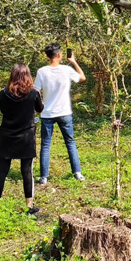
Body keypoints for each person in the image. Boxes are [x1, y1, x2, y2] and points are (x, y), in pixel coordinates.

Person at [0, 64, 43, 214]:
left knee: (2, 170)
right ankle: (29, 206)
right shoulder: (34, 93)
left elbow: (3, 111)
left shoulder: (3, 93)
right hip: (26, 137)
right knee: (26, 171)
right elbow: (40, 109)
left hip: (7, 135)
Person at [34, 44, 86, 185]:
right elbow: (82, 78)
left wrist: (37, 108)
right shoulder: (66, 70)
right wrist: (74, 61)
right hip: (64, 112)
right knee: (70, 142)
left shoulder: (41, 71)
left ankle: (44, 177)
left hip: (47, 113)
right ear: (58, 55)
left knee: (45, 144)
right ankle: (78, 173)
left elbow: (36, 91)